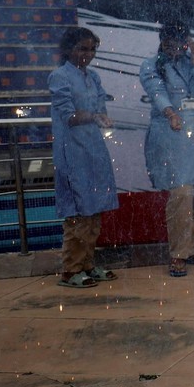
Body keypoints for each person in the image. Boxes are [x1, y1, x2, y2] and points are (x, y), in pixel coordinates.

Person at [139, 22, 194, 277]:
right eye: (169, 44)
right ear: (162, 41)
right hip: (171, 133)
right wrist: (171, 112)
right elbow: (156, 93)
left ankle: (193, 248)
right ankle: (177, 254)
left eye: (179, 44)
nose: (174, 49)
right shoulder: (151, 65)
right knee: (182, 194)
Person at [50, 26, 119, 288]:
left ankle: (88, 264)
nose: (87, 54)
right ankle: (70, 269)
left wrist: (99, 115)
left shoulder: (94, 77)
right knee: (77, 212)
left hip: (94, 150)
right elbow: (69, 115)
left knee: (94, 209)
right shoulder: (59, 77)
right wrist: (94, 116)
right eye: (82, 49)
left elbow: (100, 107)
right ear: (68, 50)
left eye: (91, 49)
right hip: (72, 152)